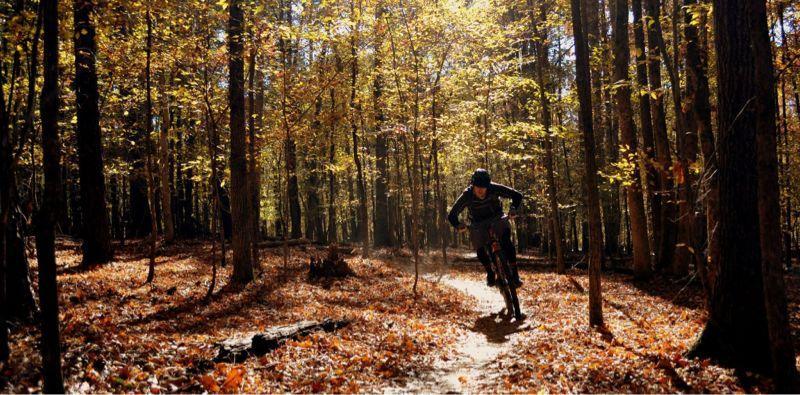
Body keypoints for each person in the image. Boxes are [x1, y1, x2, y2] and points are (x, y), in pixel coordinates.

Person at [447, 168, 523, 287]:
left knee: (506, 241)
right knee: (480, 247)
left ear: (488, 185)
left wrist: (513, 208)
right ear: (473, 185)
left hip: (497, 218)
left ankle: (515, 274)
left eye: (484, 187)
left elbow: (517, 195)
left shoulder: (494, 188)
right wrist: (458, 225)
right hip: (477, 223)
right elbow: (452, 215)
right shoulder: (467, 195)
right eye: (478, 187)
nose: (481, 190)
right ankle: (490, 272)